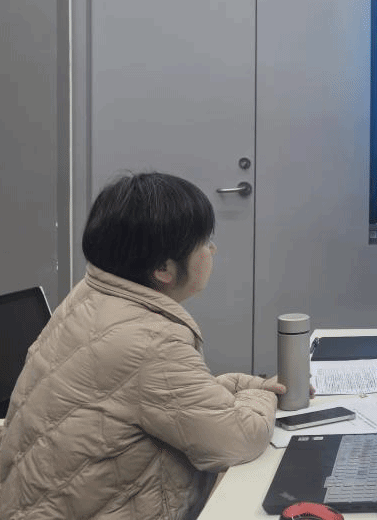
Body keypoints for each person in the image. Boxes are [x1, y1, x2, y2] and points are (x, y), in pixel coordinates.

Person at [0, 172, 283, 520]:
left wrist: (244, 386)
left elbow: (167, 400)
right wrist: (264, 397)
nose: (213, 250)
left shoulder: (90, 297)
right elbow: (238, 440)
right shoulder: (150, 340)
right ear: (163, 268)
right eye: (204, 242)